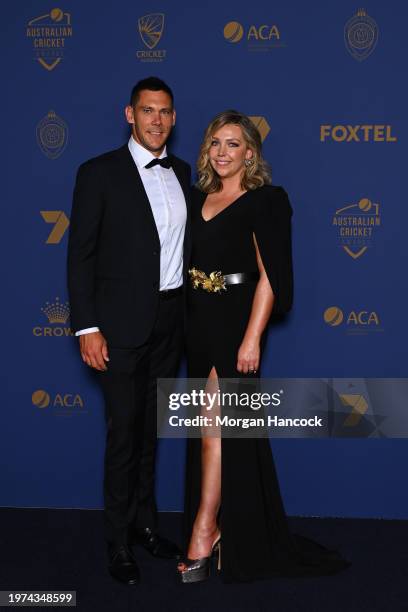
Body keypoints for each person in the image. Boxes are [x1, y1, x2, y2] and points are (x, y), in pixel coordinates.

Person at [177, 110, 350, 583]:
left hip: (236, 321)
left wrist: (252, 336)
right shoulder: (197, 198)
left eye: (233, 144)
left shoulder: (266, 201)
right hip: (197, 319)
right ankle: (220, 527)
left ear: (250, 152)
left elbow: (270, 274)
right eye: (216, 142)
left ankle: (205, 527)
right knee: (213, 427)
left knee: (217, 424)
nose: (222, 152)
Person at [67, 77, 191, 585]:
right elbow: (81, 256)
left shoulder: (184, 172)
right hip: (117, 327)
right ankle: (117, 541)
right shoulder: (98, 173)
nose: (156, 120)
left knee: (149, 434)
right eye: (147, 111)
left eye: (164, 112)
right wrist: (87, 327)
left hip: (170, 322)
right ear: (129, 114)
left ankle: (146, 525)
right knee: (123, 435)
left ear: (173, 118)